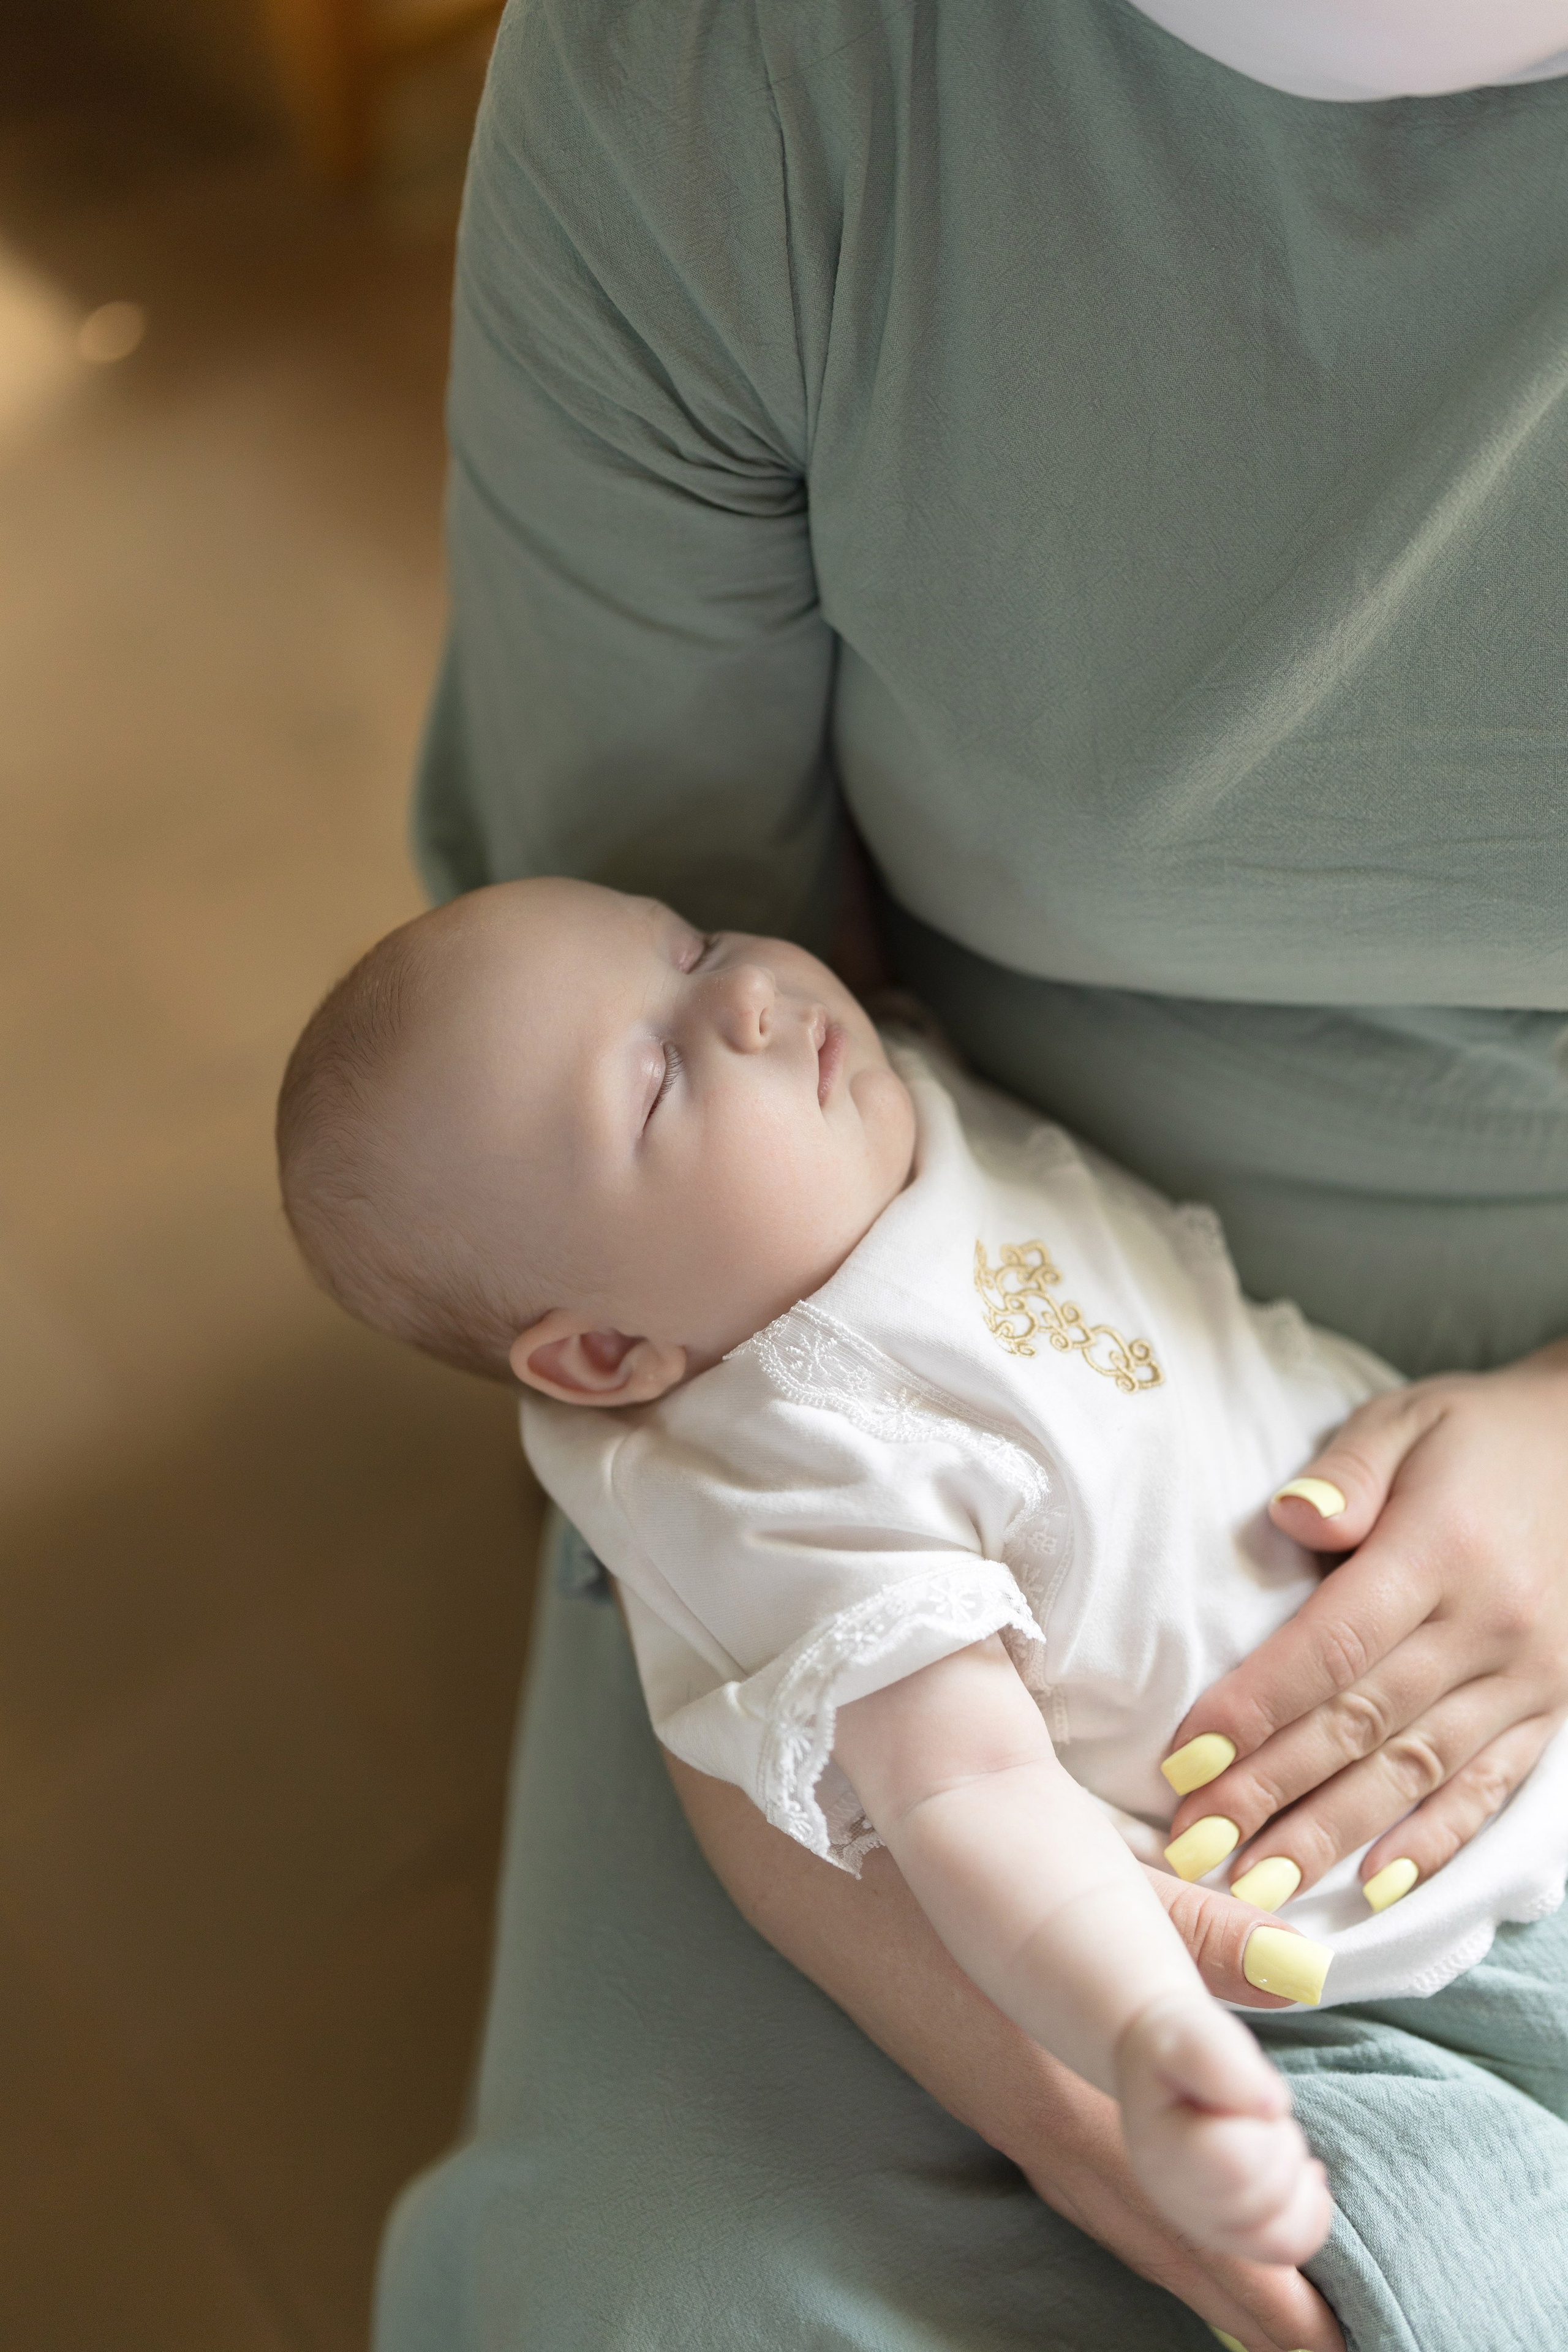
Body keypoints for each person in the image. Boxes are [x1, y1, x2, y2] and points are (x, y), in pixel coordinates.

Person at [371, 5, 1568, 2348]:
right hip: (1159, 1702)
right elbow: (910, 1753)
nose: (740, 1005)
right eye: (678, 1038)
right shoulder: (739, 77)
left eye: (717, 987)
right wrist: (1088, 2080)